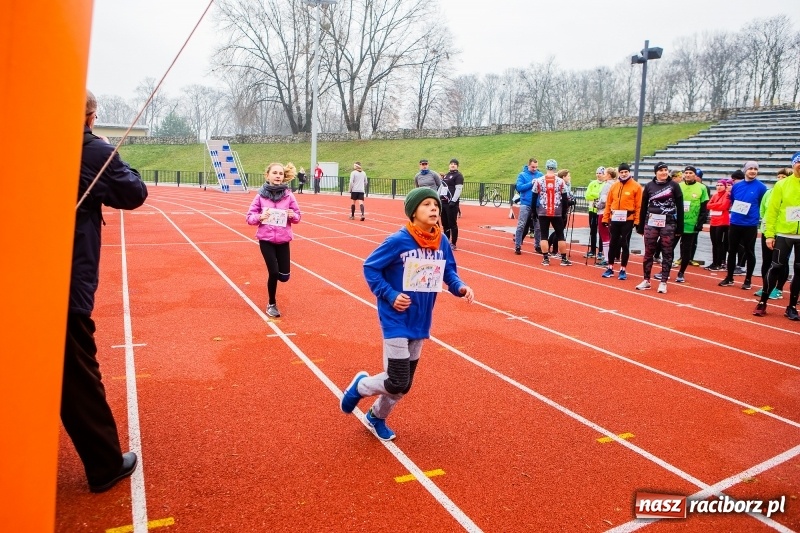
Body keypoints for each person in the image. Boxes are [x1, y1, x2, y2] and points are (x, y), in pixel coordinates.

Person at [63, 90, 148, 493]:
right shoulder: (93, 152)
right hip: (63, 278)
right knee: (77, 374)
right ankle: (104, 464)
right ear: (92, 116)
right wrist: (109, 152)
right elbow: (134, 193)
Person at [339, 187, 474, 440]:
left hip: (420, 320)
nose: (433, 208)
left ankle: (375, 417)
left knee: (403, 386)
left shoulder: (441, 241)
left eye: (435, 205)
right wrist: (390, 295)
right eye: (426, 205)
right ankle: (361, 386)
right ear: (413, 212)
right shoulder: (398, 241)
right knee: (397, 380)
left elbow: (449, 272)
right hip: (395, 319)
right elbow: (370, 268)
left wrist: (460, 287)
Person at [246, 163, 302, 318]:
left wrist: (292, 215)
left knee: (284, 276)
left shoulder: (289, 195)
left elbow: (298, 216)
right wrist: (260, 217)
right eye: (275, 173)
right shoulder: (260, 196)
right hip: (266, 239)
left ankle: (278, 276)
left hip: (283, 240)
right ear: (268, 175)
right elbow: (249, 218)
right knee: (273, 271)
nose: (278, 176)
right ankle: (272, 303)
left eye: (280, 173)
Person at [753, 153, 800, 320]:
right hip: (783, 233)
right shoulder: (782, 184)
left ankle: (792, 307)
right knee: (776, 267)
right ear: (793, 165)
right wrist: (769, 234)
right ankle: (763, 301)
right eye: (798, 162)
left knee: (799, 271)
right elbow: (772, 211)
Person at [718, 161, 767, 290]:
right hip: (735, 222)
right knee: (732, 250)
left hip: (750, 224)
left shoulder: (761, 187)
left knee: (749, 251)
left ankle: (748, 279)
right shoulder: (737, 186)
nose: (753, 171)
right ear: (745, 170)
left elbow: (763, 203)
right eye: (750, 168)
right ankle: (729, 277)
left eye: (755, 169)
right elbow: (733, 200)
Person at [635, 162, 683, 294]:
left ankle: (663, 282)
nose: (663, 172)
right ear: (655, 172)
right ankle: (646, 280)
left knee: (667, 252)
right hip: (651, 223)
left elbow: (680, 207)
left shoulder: (674, 185)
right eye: (661, 170)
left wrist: (680, 228)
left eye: (665, 170)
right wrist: (640, 226)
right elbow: (644, 206)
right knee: (649, 252)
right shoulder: (650, 186)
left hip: (668, 223)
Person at [754, 167, 792, 300]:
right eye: (779, 177)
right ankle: (766, 286)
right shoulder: (769, 193)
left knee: (781, 262)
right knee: (767, 260)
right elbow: (763, 210)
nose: (780, 179)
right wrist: (767, 227)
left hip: (783, 232)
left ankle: (779, 288)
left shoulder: (791, 192)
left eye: (784, 177)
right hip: (767, 231)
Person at [601, 163, 642, 280]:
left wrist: (637, 220)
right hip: (615, 219)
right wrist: (605, 218)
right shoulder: (614, 186)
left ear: (629, 172)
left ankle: (623, 269)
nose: (624, 174)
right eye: (622, 172)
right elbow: (609, 203)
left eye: (626, 172)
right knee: (613, 243)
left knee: (624, 243)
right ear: (619, 173)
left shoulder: (636, 186)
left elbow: (639, 205)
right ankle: (610, 267)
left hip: (628, 220)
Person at [532, 159, 571, 266]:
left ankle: (545, 258)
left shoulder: (539, 181)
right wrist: (564, 212)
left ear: (546, 167)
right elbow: (564, 198)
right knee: (560, 235)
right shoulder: (560, 181)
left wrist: (533, 212)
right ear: (555, 168)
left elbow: (534, 197)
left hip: (543, 211)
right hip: (557, 211)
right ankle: (563, 258)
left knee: (544, 235)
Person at [674, 166, 709, 283]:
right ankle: (666, 270)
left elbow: (704, 208)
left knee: (686, 249)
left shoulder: (702, 188)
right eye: (686, 173)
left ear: (695, 175)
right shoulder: (678, 186)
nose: (688, 175)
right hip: (677, 223)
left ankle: (681, 272)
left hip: (691, 224)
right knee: (669, 248)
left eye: (690, 173)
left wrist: (700, 223)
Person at [513, 158, 543, 254]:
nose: (535, 169)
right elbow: (519, 187)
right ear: (528, 165)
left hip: (537, 204)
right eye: (533, 167)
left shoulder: (540, 175)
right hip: (525, 203)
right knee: (521, 225)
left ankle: (537, 245)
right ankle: (517, 246)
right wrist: (531, 183)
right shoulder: (522, 175)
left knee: (538, 226)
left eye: (536, 167)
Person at [705, 178, 732, 271]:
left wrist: (715, 205)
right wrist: (718, 204)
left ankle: (719, 263)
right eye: (718, 185)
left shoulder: (727, 195)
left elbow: (724, 206)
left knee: (719, 242)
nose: (719, 187)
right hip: (713, 221)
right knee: (714, 243)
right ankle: (714, 262)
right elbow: (708, 205)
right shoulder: (715, 195)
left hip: (723, 222)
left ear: (725, 187)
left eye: (721, 185)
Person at [440, 158, 464, 250]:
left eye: (454, 164)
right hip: (444, 202)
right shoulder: (446, 175)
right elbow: (441, 188)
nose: (452, 165)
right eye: (451, 164)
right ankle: (446, 241)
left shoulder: (458, 176)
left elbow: (458, 189)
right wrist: (437, 198)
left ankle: (453, 243)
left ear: (457, 166)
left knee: (452, 223)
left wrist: (453, 200)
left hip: (452, 204)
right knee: (445, 223)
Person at [595, 167, 617, 265]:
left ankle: (607, 258)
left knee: (604, 235)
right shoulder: (617, 184)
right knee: (610, 235)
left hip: (604, 212)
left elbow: (604, 200)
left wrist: (597, 205)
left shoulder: (607, 185)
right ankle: (610, 257)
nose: (602, 175)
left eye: (604, 174)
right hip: (613, 213)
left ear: (608, 175)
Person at [584, 167, 606, 259]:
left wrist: (596, 195)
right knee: (592, 231)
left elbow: (604, 196)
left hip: (601, 211)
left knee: (602, 231)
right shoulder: (592, 183)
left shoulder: (606, 184)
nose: (598, 175)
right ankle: (592, 250)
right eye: (597, 173)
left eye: (600, 173)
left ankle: (601, 251)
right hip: (592, 210)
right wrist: (597, 195)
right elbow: (587, 195)